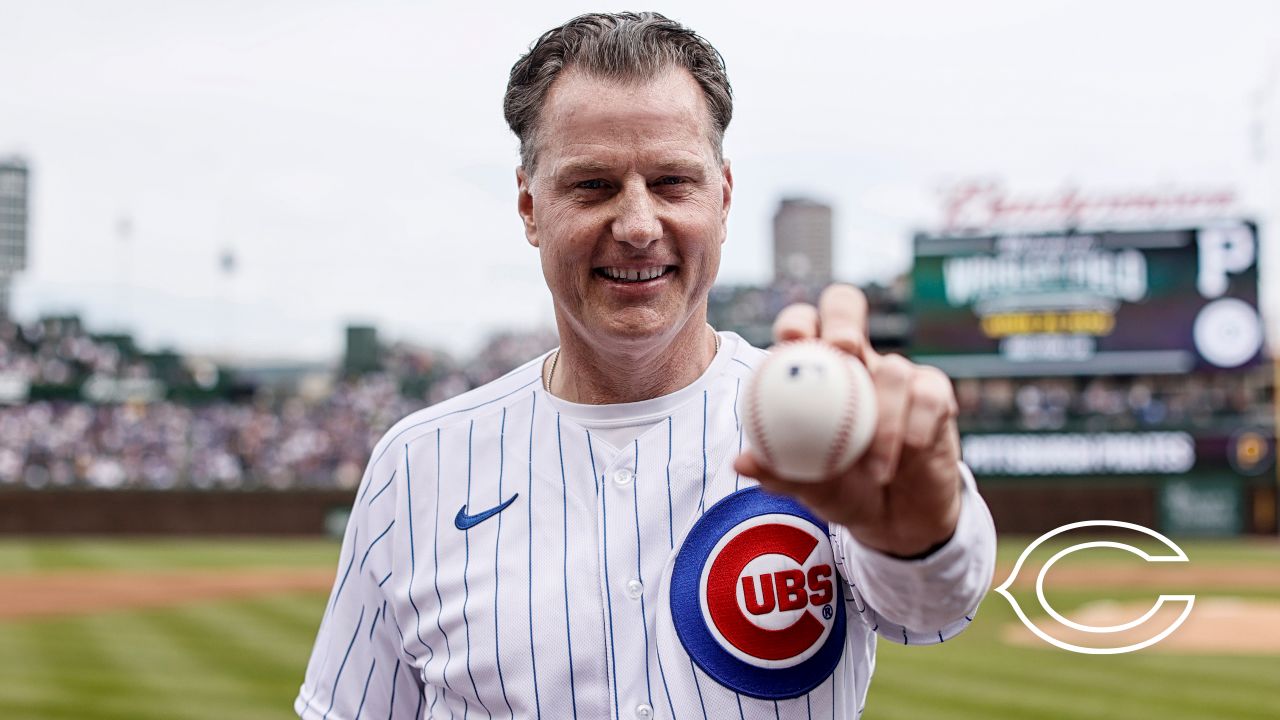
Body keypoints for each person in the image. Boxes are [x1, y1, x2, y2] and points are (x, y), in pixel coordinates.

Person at [296, 11, 996, 719]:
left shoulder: (833, 436)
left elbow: (930, 611)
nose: (636, 226)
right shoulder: (416, 465)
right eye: (592, 186)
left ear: (722, 199)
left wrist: (925, 532)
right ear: (529, 206)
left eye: (670, 182)